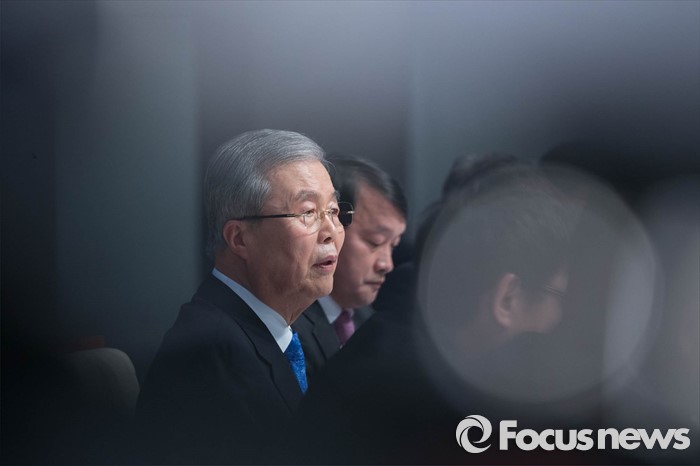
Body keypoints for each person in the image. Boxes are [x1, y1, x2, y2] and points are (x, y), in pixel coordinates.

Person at [291, 159, 586, 464]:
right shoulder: (436, 409)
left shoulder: (395, 343)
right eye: (557, 296)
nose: (559, 317)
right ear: (507, 299)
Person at [135, 129, 350, 464]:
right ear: (239, 238)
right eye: (308, 212)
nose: (332, 232)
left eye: (333, 211)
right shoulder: (206, 358)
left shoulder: (303, 328)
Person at [293, 154, 407, 383]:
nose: (387, 264)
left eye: (393, 245)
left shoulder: (372, 322)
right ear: (331, 226)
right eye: (375, 242)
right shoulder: (289, 323)